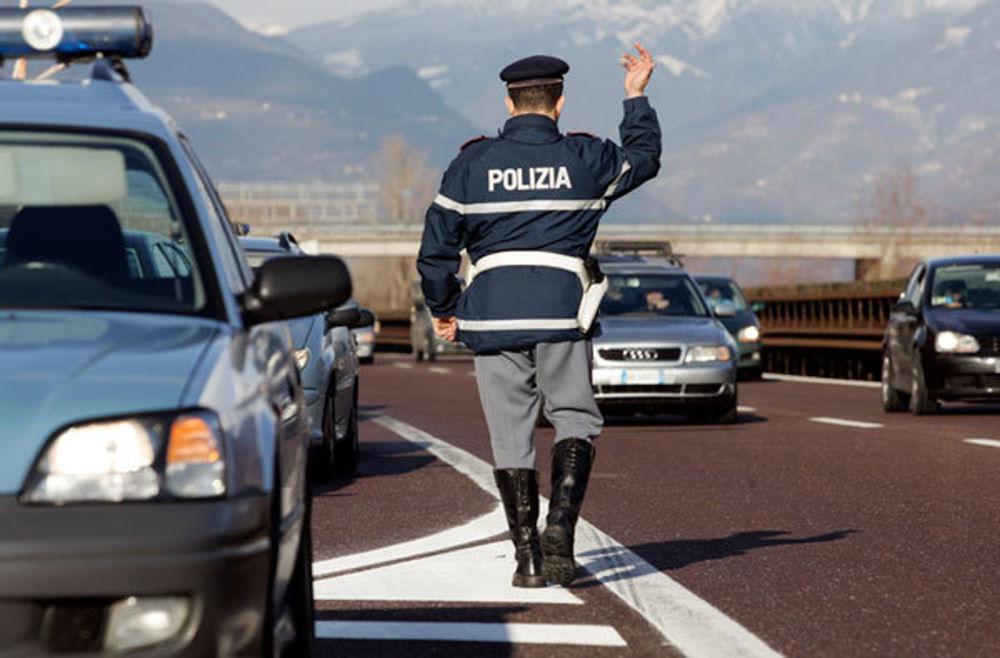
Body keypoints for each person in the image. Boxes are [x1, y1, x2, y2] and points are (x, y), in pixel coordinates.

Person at [417, 44, 661, 587]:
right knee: (574, 418)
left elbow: (435, 250)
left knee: (510, 436)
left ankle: (526, 559)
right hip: (561, 312)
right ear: (560, 102)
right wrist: (635, 97)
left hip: (493, 318)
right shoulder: (586, 159)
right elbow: (643, 160)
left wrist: (445, 308)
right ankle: (561, 537)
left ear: (509, 102)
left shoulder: (470, 165)